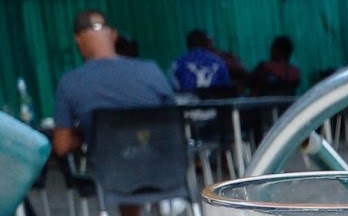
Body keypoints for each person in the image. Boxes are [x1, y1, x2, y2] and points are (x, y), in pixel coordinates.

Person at [52, 10, 174, 158]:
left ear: (77, 39)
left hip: (108, 171)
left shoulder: (69, 82)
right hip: (162, 167)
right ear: (113, 35)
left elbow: (62, 146)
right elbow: (173, 124)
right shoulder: (151, 70)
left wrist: (84, 136)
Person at [170, 29, 233, 94]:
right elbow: (227, 88)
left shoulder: (177, 63)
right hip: (215, 99)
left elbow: (172, 88)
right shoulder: (219, 62)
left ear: (188, 44)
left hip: (187, 99)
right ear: (206, 44)